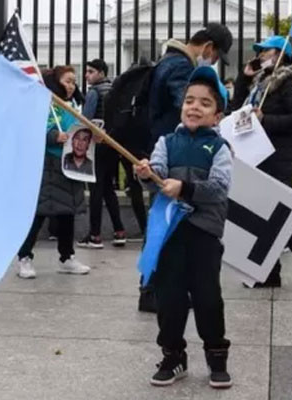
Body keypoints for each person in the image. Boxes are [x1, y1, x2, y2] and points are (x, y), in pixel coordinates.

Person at [134, 66, 234, 389]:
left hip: (204, 235)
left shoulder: (220, 149)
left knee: (207, 297)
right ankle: (173, 354)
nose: (194, 107)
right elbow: (159, 178)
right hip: (170, 234)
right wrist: (147, 173)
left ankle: (216, 355)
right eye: (189, 100)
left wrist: (186, 188)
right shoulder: (166, 141)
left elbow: (219, 187)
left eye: (205, 103)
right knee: (170, 298)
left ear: (217, 116)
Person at [138, 23, 232, 313]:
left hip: (176, 166)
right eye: (216, 57)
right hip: (178, 161)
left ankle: (154, 289)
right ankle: (156, 290)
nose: (193, 105)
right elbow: (191, 111)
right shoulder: (181, 68)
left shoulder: (167, 60)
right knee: (170, 233)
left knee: (164, 231)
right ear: (208, 48)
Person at [230, 35, 292, 291]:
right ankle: (269, 272)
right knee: (264, 210)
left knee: (280, 214)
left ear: (280, 54)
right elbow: (237, 110)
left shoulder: (291, 82)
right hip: (257, 155)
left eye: (265, 52)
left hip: (280, 156)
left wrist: (265, 119)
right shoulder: (259, 84)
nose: (260, 56)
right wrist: (244, 79)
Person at [14, 66, 92, 279]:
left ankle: (67, 257)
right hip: (49, 165)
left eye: (74, 82)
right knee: (39, 213)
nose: (72, 85)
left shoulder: (73, 105)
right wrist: (52, 136)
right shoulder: (45, 104)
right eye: (67, 81)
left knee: (68, 213)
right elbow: (33, 129)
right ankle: (24, 257)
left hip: (69, 166)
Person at [79, 58, 130, 249]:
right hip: (112, 143)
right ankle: (119, 231)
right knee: (109, 188)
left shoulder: (93, 93)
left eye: (91, 71)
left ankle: (95, 235)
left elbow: (86, 119)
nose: (87, 75)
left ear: (101, 73)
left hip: (97, 145)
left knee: (96, 189)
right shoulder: (113, 90)